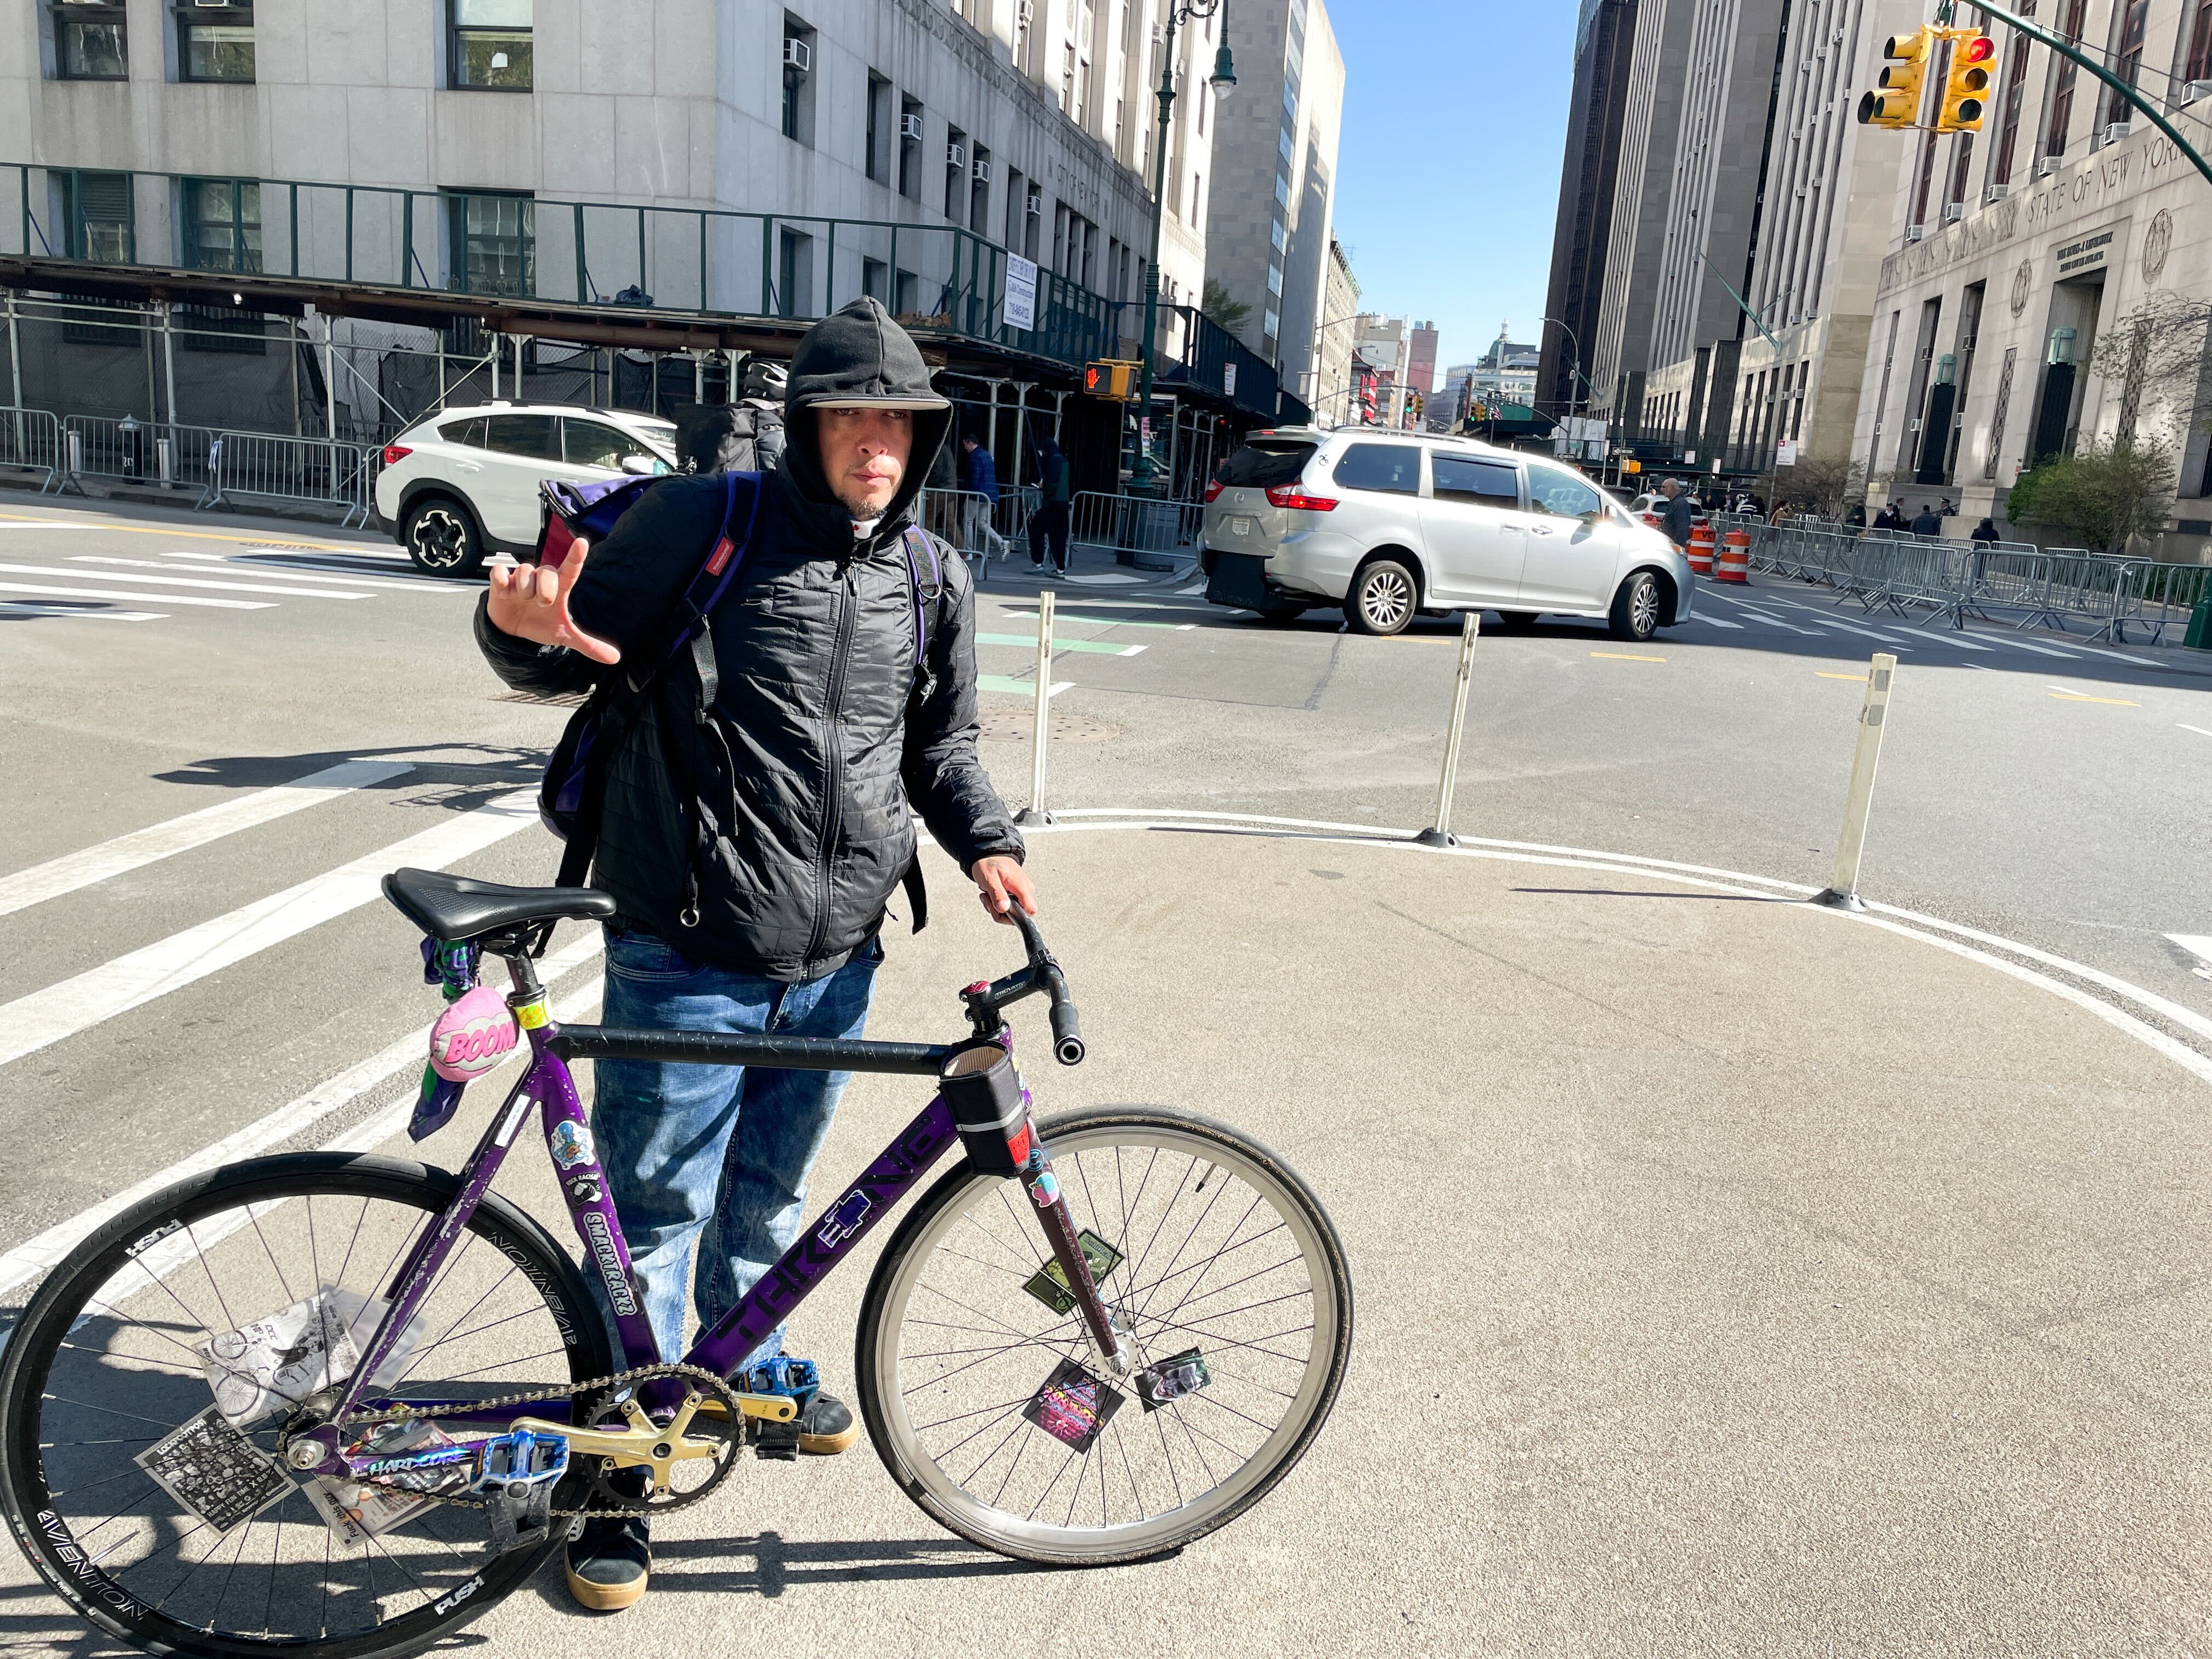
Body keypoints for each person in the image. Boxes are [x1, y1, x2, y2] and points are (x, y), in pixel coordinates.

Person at [477, 296, 1035, 1614]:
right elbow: (563, 642)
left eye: (896, 420)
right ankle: (622, 1469)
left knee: (772, 1197)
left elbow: (940, 750)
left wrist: (988, 845)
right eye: (850, 415)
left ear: (922, 437)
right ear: (807, 424)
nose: (875, 443)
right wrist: (521, 631)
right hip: (688, 944)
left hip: (836, 954)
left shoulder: (931, 579)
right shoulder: (705, 524)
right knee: (654, 1211)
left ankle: (748, 1366)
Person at [958, 431, 1007, 560]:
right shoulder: (986, 455)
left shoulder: (974, 457)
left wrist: (968, 492)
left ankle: (968, 552)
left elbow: (974, 477)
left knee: (968, 521)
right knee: (982, 523)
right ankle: (1001, 542)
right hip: (989, 495)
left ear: (971, 443)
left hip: (976, 494)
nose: (965, 448)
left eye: (965, 445)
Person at [1029, 433, 1073, 576]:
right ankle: (1060, 568)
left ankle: (1038, 563)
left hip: (1051, 503)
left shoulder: (1053, 461)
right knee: (1058, 537)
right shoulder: (1063, 460)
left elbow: (1052, 485)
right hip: (1063, 505)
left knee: (1036, 529)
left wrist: (1043, 486)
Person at [1656, 476, 1695, 549]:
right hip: (1670, 544)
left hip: (1674, 546)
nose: (1662, 489)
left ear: (1672, 487)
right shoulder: (1675, 502)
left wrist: (1677, 548)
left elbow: (1681, 528)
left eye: (1664, 487)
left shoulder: (1680, 504)